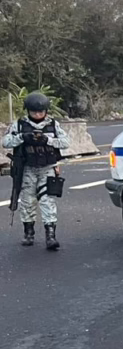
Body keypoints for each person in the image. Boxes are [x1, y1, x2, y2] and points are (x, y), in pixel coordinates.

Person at [4, 93, 69, 249]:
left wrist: (48, 140)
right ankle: (29, 233)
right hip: (27, 169)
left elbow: (66, 142)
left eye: (41, 112)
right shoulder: (19, 124)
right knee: (27, 202)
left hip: (48, 168)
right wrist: (22, 137)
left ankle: (51, 236)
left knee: (48, 201)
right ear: (28, 111)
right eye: (34, 112)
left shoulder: (53, 124)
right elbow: (5, 141)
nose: (38, 115)